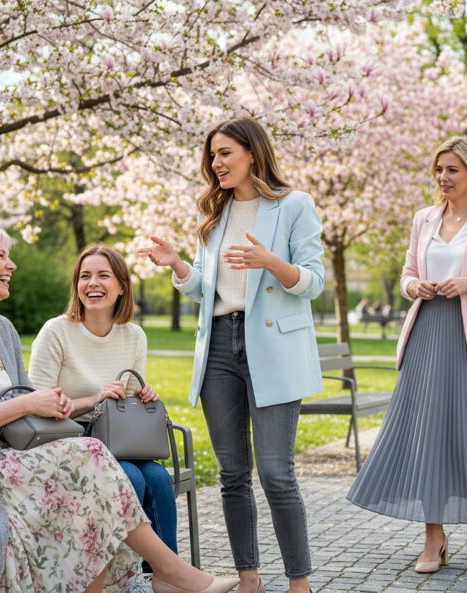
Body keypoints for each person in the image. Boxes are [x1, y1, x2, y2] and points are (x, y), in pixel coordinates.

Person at [0, 222, 238, 593]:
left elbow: (22, 409)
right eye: (1, 256)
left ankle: (167, 573)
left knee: (93, 488)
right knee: (90, 463)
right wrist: (32, 401)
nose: (11, 265)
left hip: (4, 458)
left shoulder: (1, 329)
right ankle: (171, 573)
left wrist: (52, 404)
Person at [138, 116, 324, 593]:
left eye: (225, 153)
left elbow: (313, 283)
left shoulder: (294, 205)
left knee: (277, 473)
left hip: (274, 348)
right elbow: (206, 292)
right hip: (220, 345)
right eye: (213, 156)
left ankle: (299, 583)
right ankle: (248, 579)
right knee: (232, 474)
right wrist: (179, 264)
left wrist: (272, 263)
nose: (216, 163)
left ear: (253, 153)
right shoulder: (214, 216)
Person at [346, 136, 467, 573]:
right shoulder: (423, 219)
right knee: (428, 433)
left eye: (451, 170)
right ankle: (433, 538)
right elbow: (409, 273)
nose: (442, 178)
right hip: (428, 331)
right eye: (438, 169)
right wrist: (416, 288)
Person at [29, 243, 178, 592]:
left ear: (121, 286)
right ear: (76, 285)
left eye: (102, 276)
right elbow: (36, 403)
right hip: (68, 438)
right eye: (85, 276)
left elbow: (124, 402)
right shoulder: (57, 331)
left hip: (116, 438)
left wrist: (142, 395)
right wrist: (92, 399)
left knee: (157, 478)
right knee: (131, 479)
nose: (92, 284)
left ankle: (166, 577)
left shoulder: (133, 335)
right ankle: (127, 579)